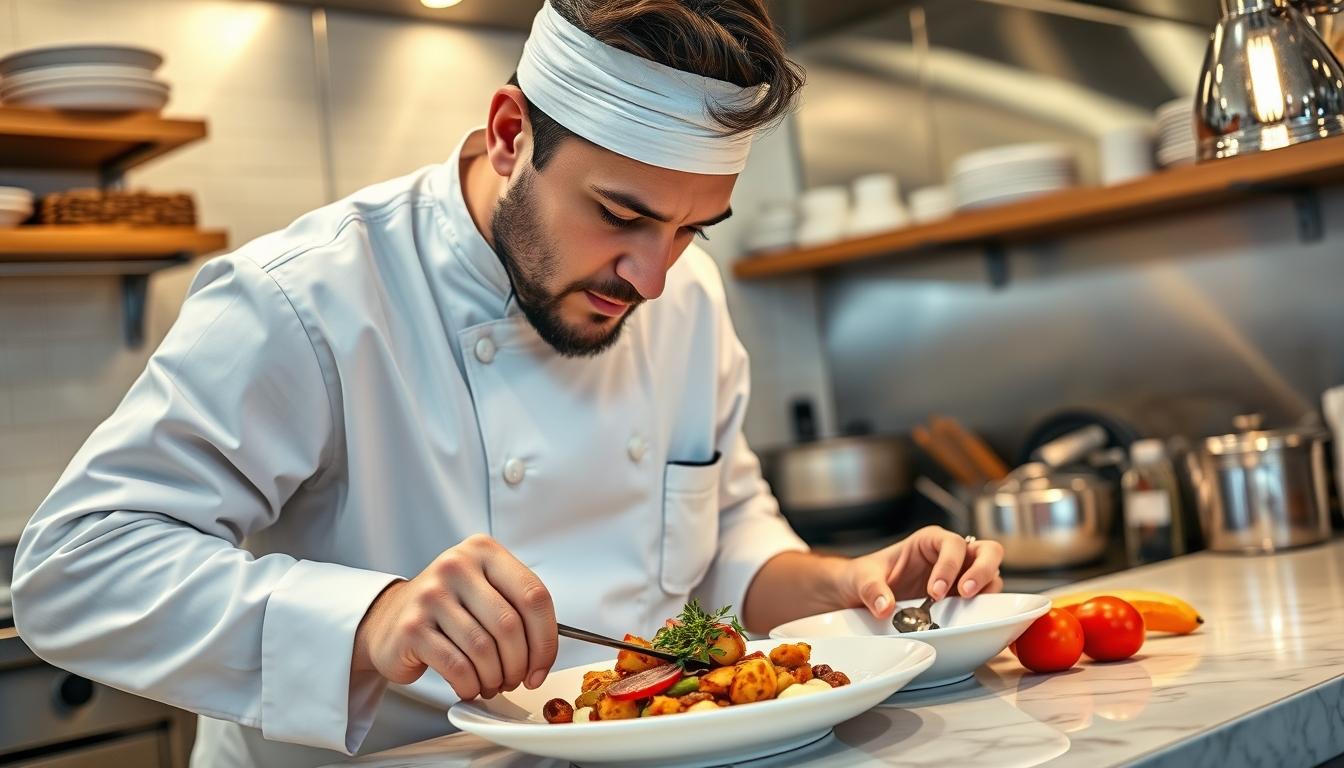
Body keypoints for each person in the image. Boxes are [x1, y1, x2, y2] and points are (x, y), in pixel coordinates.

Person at [11, 1, 1005, 766]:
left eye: (692, 227)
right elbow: (71, 570)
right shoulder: (307, 299)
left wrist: (847, 587)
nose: (651, 277)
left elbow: (727, 534)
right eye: (620, 213)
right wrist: (369, 620)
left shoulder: (685, 295)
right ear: (508, 132)